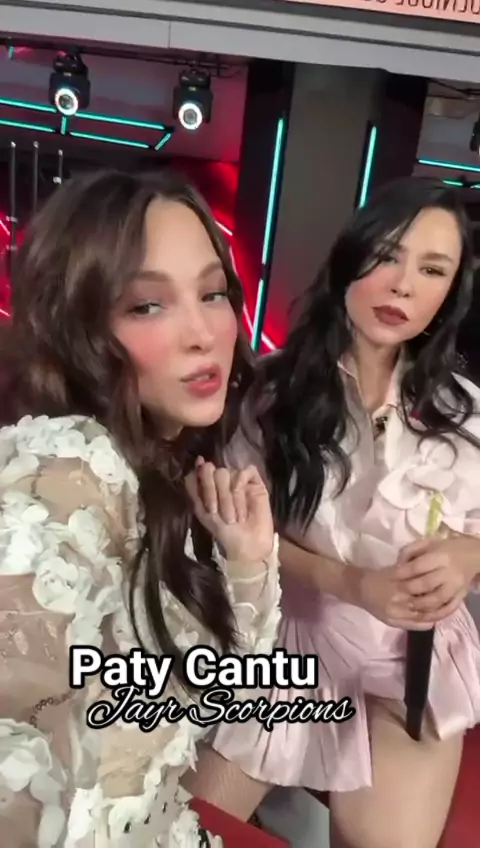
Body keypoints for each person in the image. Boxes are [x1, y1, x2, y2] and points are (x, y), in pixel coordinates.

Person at [185, 177, 480, 848]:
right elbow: (238, 535)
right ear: (350, 258)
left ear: (449, 293)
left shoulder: (466, 414)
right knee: (177, 830)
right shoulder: (270, 395)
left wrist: (468, 555)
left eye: (432, 269)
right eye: (387, 255)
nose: (403, 285)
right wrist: (352, 583)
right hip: (289, 640)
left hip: (412, 657)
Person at [0, 169, 281, 847]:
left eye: (212, 293)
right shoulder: (66, 473)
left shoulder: (160, 465)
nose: (203, 333)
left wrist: (247, 563)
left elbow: (220, 695)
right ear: (79, 325)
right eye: (147, 306)